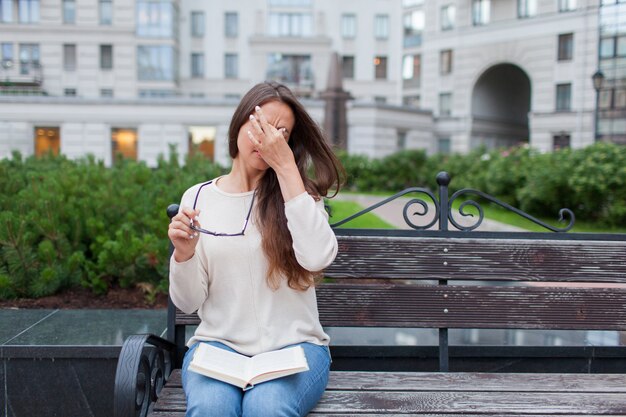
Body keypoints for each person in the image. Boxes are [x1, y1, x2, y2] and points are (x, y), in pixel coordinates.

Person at [167, 81, 344, 417]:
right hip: (219, 349)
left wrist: (287, 168)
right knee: (209, 408)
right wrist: (184, 255)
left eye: (280, 134)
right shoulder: (199, 197)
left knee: (267, 407)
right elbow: (189, 303)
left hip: (294, 350)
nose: (267, 138)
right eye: (259, 125)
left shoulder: (298, 196)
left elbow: (318, 257)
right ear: (239, 124)